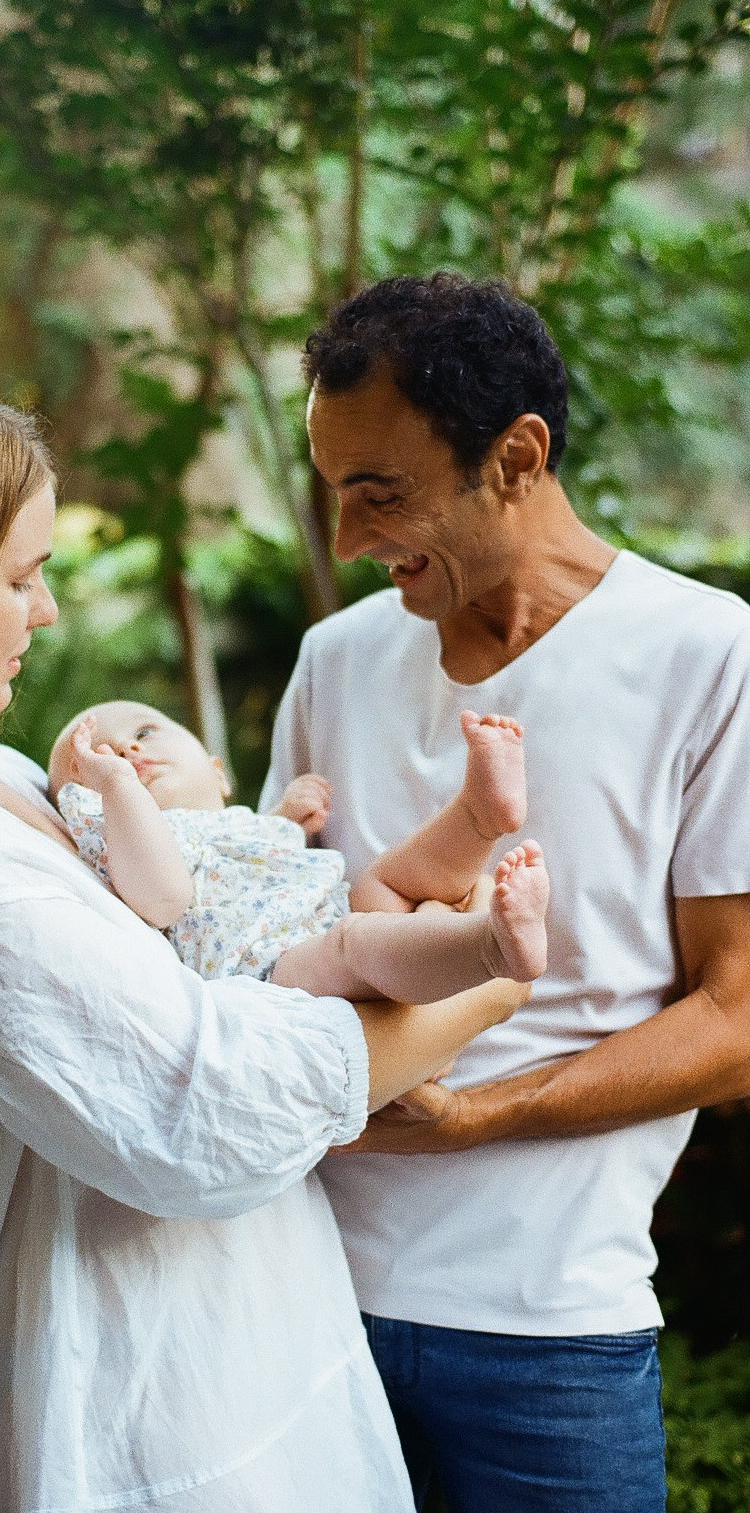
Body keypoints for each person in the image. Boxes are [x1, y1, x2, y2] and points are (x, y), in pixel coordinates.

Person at [0, 366, 530, 1513]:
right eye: (18, 576)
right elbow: (195, 1108)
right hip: (127, 1434)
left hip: (234, 1366)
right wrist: (478, 998)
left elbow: (190, 931)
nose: (45, 610)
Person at [262, 272, 750, 1513]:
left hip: (552, 1335)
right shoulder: (335, 660)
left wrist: (478, 1116)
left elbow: (737, 1017)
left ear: (517, 456)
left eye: (378, 493)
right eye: (333, 492)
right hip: (298, 1302)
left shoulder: (706, 657)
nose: (346, 539)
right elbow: (265, 938)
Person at [48, 700, 550, 1005]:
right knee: (356, 942)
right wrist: (117, 790)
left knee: (388, 880)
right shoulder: (134, 843)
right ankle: (491, 945)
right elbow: (163, 897)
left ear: (218, 773)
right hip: (275, 970)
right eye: (99, 760)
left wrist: (283, 822)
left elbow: (244, 858)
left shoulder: (239, 827)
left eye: (141, 733)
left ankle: (478, 817)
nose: (127, 755)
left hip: (333, 908)